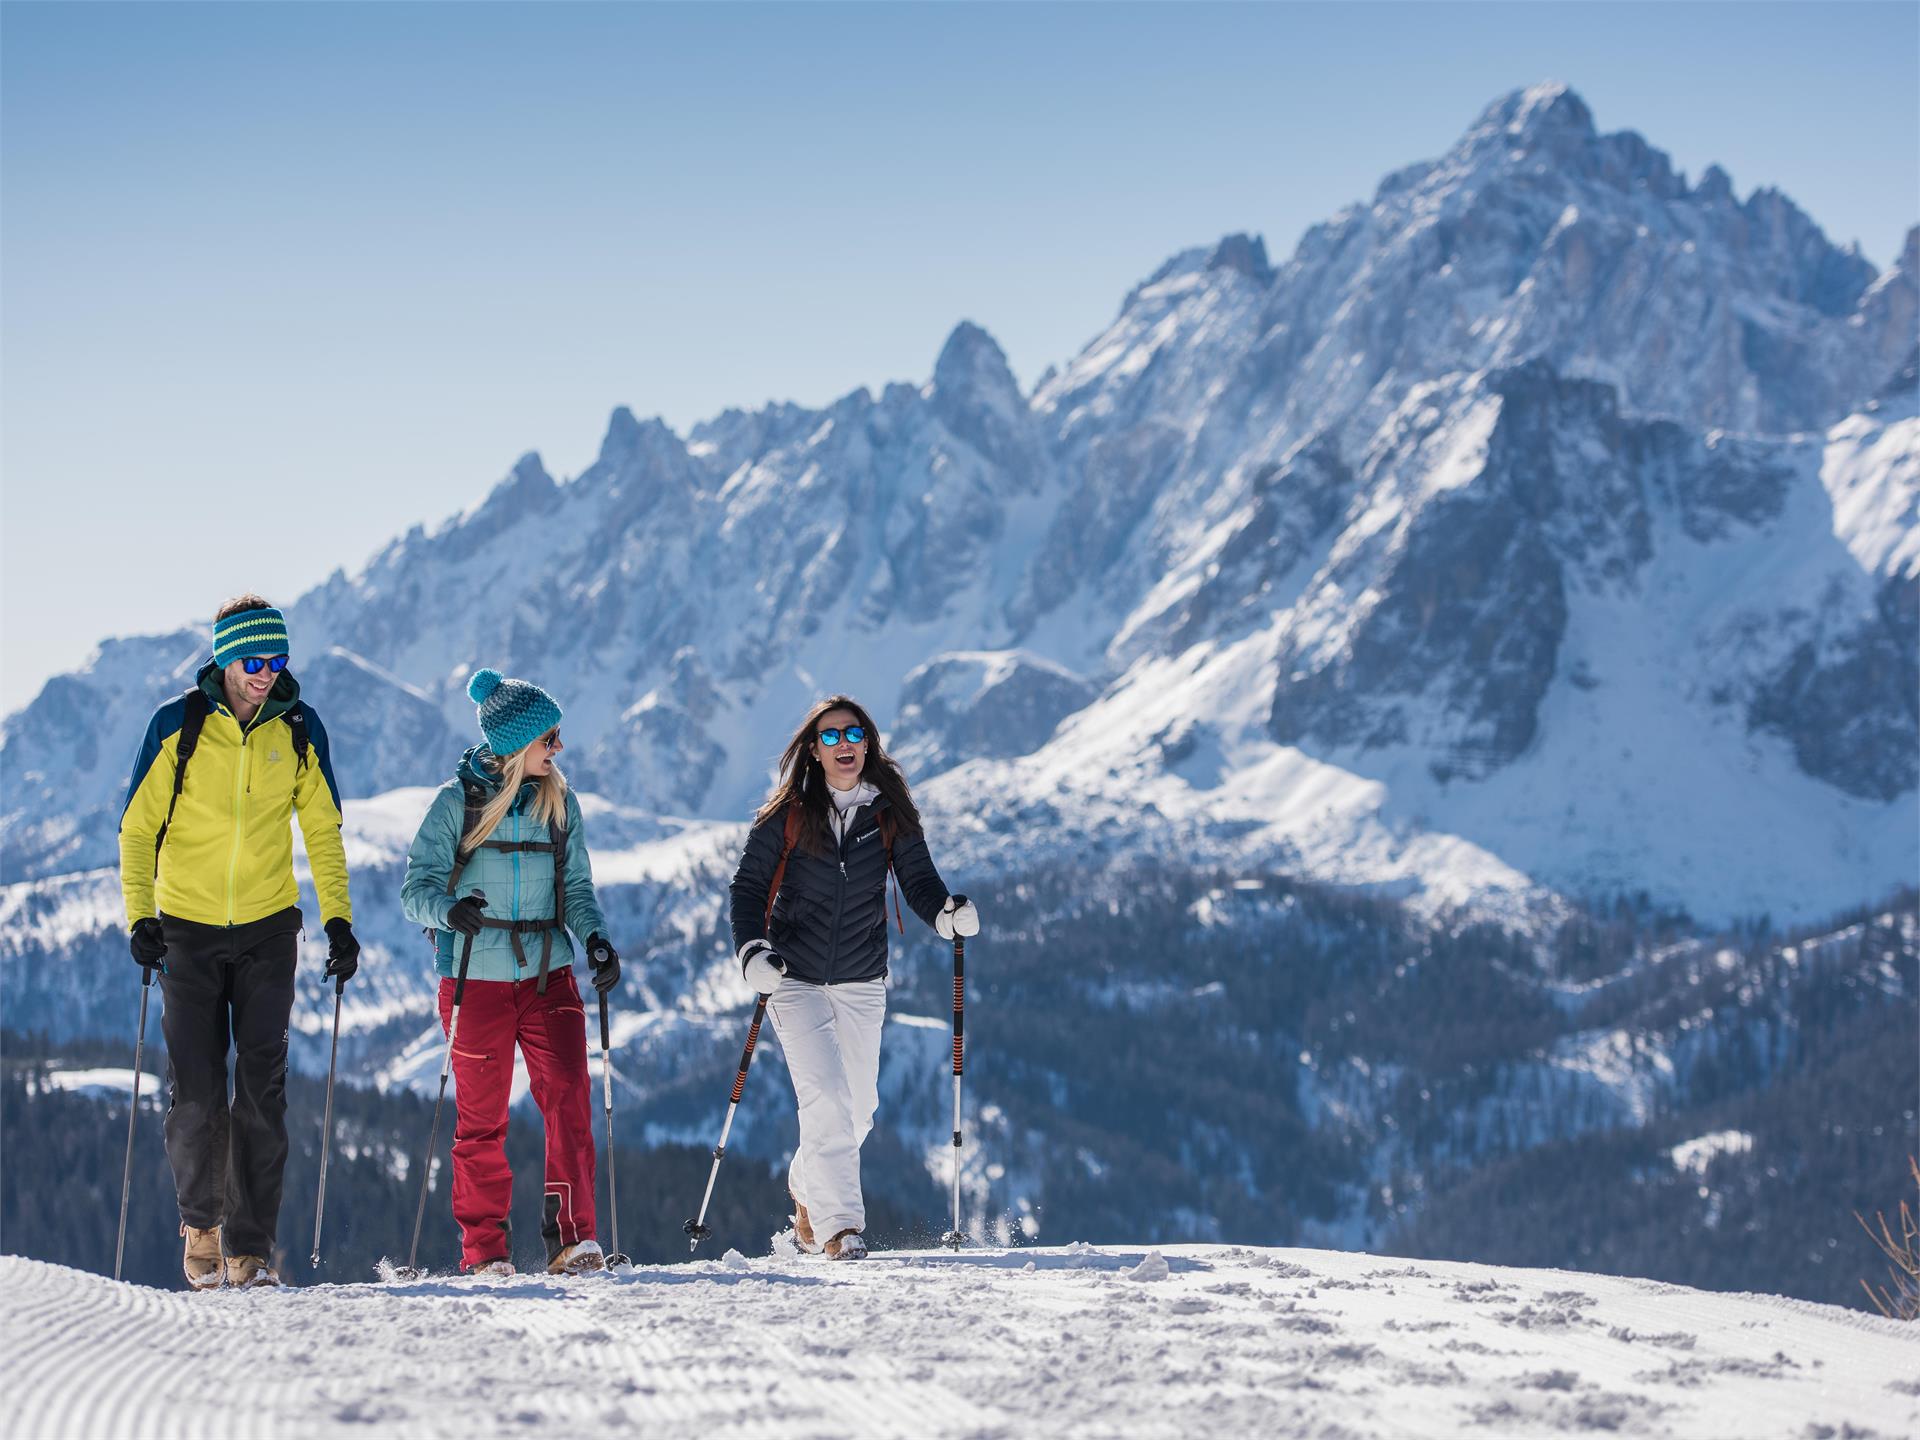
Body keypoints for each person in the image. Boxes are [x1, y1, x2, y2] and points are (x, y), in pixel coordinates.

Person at [118, 595, 359, 1289]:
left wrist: (337, 919)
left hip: (267, 928)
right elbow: (138, 830)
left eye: (278, 660)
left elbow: (322, 831)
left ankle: (249, 1250)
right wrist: (142, 917)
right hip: (187, 931)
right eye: (255, 661)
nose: (266, 674)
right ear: (225, 658)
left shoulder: (300, 728)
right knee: (195, 1091)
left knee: (262, 1092)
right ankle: (202, 1224)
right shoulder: (178, 725)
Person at [728, 695, 979, 1260]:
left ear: (868, 742)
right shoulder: (786, 815)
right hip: (795, 976)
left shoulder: (889, 811)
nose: (845, 745)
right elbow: (747, 889)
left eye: (854, 734)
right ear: (813, 752)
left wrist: (945, 912)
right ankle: (840, 1227)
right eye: (831, 737)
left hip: (862, 978)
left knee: (858, 1108)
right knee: (823, 1095)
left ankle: (805, 1184)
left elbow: (918, 879)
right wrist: (751, 952)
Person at [400, 668, 621, 1276]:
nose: (559, 748)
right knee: (481, 1124)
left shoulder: (560, 802)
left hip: (550, 976)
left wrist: (596, 939)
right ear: (516, 745)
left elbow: (576, 888)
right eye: (549, 737)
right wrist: (447, 910)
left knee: (571, 1101)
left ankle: (574, 1241)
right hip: (475, 983)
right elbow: (414, 890)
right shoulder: (456, 804)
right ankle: (485, 1255)